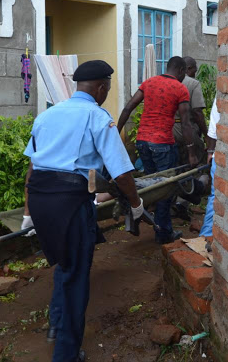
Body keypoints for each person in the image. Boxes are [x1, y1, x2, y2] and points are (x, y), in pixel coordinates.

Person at [20, 60, 143, 362]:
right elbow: (122, 172)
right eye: (107, 89)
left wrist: (27, 213)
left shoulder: (47, 115)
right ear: (101, 88)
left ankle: (56, 323)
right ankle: (66, 353)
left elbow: (32, 168)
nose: (106, 94)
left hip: (40, 198)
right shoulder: (97, 116)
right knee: (76, 275)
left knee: (64, 264)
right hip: (69, 201)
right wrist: (137, 204)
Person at [117, 56, 197, 244]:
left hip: (142, 142)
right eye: (184, 73)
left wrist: (116, 134)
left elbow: (128, 107)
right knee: (164, 190)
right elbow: (185, 124)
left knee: (149, 186)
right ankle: (163, 233)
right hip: (162, 144)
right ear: (181, 70)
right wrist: (192, 152)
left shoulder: (148, 83)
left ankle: (140, 218)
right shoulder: (180, 88)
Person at [173, 56, 208, 166]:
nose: (195, 75)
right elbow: (197, 112)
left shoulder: (165, 81)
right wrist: (206, 136)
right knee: (198, 157)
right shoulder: (193, 83)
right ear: (187, 69)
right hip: (185, 129)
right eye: (194, 71)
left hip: (167, 131)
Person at [199, 99, 220, 237]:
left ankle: (206, 235)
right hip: (225, 155)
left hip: (220, 152)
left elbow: (213, 126)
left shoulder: (222, 92)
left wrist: (211, 152)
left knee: (215, 196)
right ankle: (206, 235)